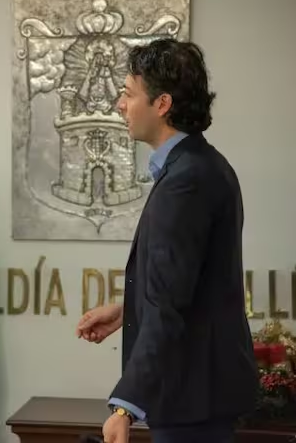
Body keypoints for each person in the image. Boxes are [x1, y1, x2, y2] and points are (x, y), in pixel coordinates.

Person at [76, 39, 258, 443]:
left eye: (128, 94)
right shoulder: (201, 165)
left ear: (162, 104)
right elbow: (188, 285)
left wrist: (124, 406)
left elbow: (168, 305)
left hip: (192, 400)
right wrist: (129, 310)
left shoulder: (185, 181)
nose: (120, 105)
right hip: (200, 397)